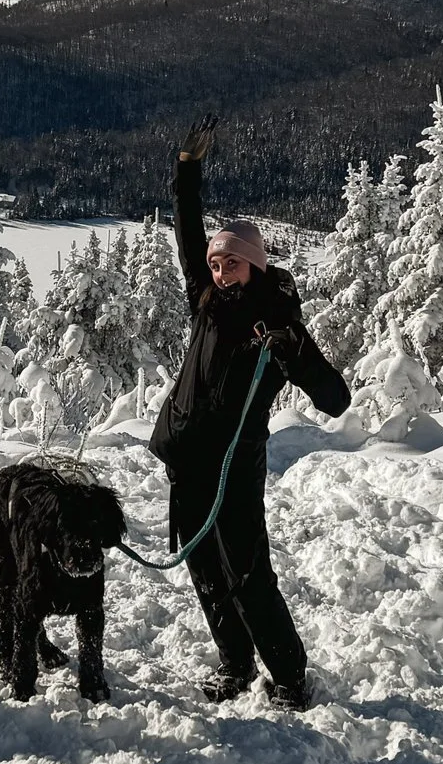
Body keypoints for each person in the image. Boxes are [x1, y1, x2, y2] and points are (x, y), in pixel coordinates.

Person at [149, 118, 351, 710]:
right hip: (186, 458)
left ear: (255, 265)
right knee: (204, 569)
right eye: (215, 264)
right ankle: (235, 663)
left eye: (230, 263)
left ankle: (288, 675)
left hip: (235, 466)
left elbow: (335, 399)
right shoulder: (205, 300)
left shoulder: (278, 324)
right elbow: (188, 234)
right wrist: (188, 165)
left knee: (247, 573)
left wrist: (292, 355)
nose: (218, 271)